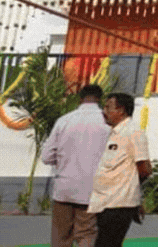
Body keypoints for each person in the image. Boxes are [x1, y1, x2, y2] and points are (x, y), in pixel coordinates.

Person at [41, 83, 110, 247]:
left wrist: (64, 161)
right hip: (92, 189)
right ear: (100, 99)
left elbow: (46, 157)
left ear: (80, 99)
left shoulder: (64, 120)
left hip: (64, 188)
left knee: (61, 237)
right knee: (86, 234)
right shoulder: (107, 122)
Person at [87, 93, 150, 247]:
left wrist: (131, 190)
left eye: (108, 107)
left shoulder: (133, 132)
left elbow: (144, 168)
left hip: (119, 204)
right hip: (106, 202)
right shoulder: (115, 132)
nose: (104, 111)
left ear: (121, 110)